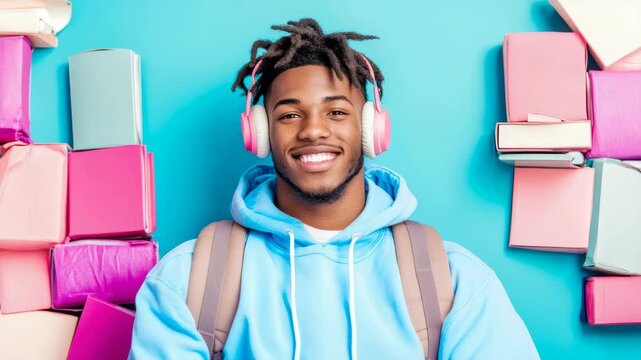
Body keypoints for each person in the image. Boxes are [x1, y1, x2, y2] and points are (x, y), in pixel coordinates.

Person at [129, 18, 539, 360]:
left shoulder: (452, 279)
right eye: (289, 114)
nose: (313, 130)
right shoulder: (187, 281)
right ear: (260, 132)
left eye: (336, 111)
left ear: (369, 128)